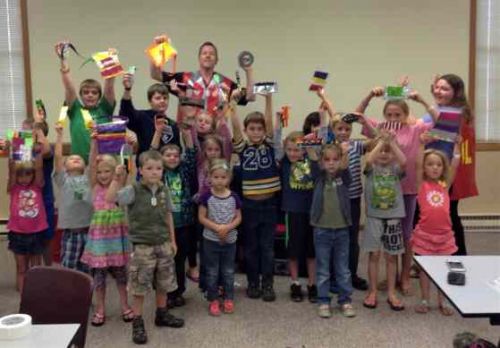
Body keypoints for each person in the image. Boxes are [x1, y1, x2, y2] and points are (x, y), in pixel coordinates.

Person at [356, 87, 438, 294]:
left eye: (398, 114)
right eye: (389, 114)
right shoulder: (380, 127)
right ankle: (388, 276)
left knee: (405, 234)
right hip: (381, 189)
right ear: (384, 115)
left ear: (405, 114)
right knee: (384, 235)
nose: (393, 117)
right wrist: (370, 95)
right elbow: (357, 115)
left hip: (407, 188)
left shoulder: (415, 127)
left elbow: (439, 120)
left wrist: (420, 99)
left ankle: (404, 277)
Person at [109, 150, 184, 345]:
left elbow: (168, 215)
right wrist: (117, 178)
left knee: (164, 282)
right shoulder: (133, 189)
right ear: (141, 170)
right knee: (139, 286)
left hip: (163, 243)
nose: (154, 172)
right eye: (149, 168)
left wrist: (173, 241)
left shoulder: (164, 189)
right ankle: (138, 321)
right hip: (142, 245)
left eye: (158, 168)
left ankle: (162, 314)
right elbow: (111, 198)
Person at [231, 94, 280, 301]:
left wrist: (268, 99)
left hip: (269, 204)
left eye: (260, 129)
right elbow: (234, 126)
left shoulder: (269, 144)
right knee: (251, 247)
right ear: (246, 130)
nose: (257, 132)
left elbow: (269, 123)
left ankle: (267, 284)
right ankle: (253, 282)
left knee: (267, 247)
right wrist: (232, 105)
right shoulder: (243, 147)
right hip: (250, 205)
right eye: (252, 129)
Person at [80, 135, 131, 326]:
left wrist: (128, 148)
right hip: (99, 241)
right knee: (99, 278)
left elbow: (125, 168)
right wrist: (94, 143)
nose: (103, 175)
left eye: (107, 171)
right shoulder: (94, 186)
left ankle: (125, 305)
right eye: (100, 172)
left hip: (116, 238)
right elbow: (92, 165)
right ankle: (100, 308)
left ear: (114, 171)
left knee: (121, 276)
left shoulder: (119, 184)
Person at [425, 74, 478, 256]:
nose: (439, 91)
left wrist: (424, 102)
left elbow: (445, 132)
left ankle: (460, 256)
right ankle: (438, 254)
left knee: (449, 214)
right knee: (438, 214)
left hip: (450, 171)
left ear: (456, 93)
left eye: (445, 88)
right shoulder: (444, 108)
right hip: (436, 168)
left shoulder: (458, 113)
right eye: (437, 88)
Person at [150, 35, 255, 120]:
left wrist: (249, 70)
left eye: (212, 54)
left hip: (215, 140)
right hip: (190, 138)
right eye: (204, 53)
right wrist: (157, 49)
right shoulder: (185, 79)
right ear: (199, 58)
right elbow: (156, 74)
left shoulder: (224, 83)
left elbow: (250, 97)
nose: (208, 55)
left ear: (217, 60)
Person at [151, 126, 197, 308]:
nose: (172, 158)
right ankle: (165, 292)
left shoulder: (184, 171)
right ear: (161, 159)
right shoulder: (157, 174)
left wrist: (187, 136)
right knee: (163, 261)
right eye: (168, 155)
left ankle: (178, 292)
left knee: (179, 260)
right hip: (162, 225)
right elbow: (150, 156)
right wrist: (157, 134)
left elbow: (192, 156)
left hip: (184, 223)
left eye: (176, 155)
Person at [309, 143, 356, 318]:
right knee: (323, 268)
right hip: (322, 230)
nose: (331, 163)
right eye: (327, 160)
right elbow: (313, 163)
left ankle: (345, 300)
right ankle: (323, 300)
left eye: (335, 160)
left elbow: (344, 167)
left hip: (342, 230)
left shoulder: (344, 177)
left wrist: (344, 153)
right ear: (321, 162)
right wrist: (310, 147)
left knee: (343, 268)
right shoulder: (319, 178)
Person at [361, 134, 407, 312]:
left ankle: (391, 293)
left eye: (388, 152)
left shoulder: (396, 168)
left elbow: (403, 161)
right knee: (374, 255)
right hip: (374, 216)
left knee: (391, 256)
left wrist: (392, 143)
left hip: (394, 215)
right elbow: (369, 158)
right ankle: (372, 291)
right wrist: (381, 142)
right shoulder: (371, 168)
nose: (384, 154)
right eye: (381, 151)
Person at [412, 147, 460, 316]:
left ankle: (443, 300)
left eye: (439, 165)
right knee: (425, 271)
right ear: (424, 167)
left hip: (444, 237)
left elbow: (454, 165)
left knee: (443, 269)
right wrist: (420, 142)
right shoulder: (421, 186)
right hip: (425, 235)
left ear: (443, 168)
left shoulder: (444, 186)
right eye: (430, 164)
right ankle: (425, 299)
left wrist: (457, 147)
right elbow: (417, 165)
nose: (435, 167)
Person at [54, 41, 116, 163]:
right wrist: (63, 60)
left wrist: (111, 62)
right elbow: (69, 88)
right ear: (81, 96)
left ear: (99, 96)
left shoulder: (105, 108)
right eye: (86, 92)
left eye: (94, 92)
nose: (90, 95)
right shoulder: (75, 110)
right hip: (79, 165)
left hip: (104, 166)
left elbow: (109, 86)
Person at [330, 112, 370, 291]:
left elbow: (377, 140)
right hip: (334, 200)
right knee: (335, 238)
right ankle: (333, 276)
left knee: (352, 239)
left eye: (347, 129)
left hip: (353, 200)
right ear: (333, 130)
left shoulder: (356, 145)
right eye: (340, 129)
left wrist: (366, 122)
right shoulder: (329, 148)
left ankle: (351, 274)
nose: (344, 132)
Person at [198, 159, 242, 316]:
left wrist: (227, 228)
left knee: (228, 271)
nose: (219, 180)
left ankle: (229, 298)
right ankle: (213, 300)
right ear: (210, 177)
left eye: (223, 177)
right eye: (216, 177)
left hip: (230, 241)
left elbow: (238, 217)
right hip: (211, 240)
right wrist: (217, 228)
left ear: (229, 178)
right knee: (212, 271)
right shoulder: (206, 197)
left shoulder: (234, 197)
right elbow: (202, 217)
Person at [6, 144, 46, 294]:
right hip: (17, 233)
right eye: (20, 175)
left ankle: (36, 294)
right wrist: (12, 152)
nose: (23, 179)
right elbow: (11, 170)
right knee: (22, 268)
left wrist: (38, 153)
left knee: (36, 268)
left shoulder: (37, 185)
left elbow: (39, 169)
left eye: (27, 174)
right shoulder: (14, 187)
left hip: (37, 232)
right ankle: (24, 296)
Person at [53, 124, 93, 273]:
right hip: (71, 233)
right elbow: (57, 157)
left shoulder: (89, 178)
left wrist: (93, 138)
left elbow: (93, 157)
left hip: (89, 231)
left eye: (79, 158)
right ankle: (68, 295)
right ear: (65, 166)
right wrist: (59, 136)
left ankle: (85, 296)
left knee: (87, 270)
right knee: (69, 269)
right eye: (71, 158)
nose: (76, 159)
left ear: (85, 165)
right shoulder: (63, 179)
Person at [120, 76, 180, 169]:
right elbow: (126, 113)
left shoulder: (173, 125)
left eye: (165, 98)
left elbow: (177, 149)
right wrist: (127, 89)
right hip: (146, 169)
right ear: (150, 101)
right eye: (158, 98)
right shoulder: (142, 117)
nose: (162, 101)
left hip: (167, 172)